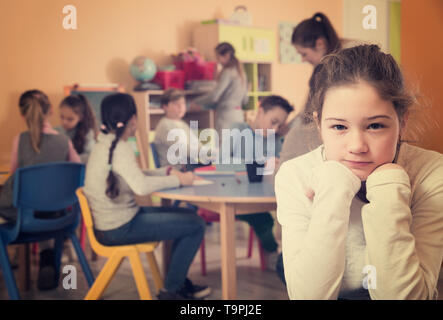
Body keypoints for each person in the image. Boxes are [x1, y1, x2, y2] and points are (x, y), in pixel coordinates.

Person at [275, 44, 443, 300]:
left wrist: (389, 185)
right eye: (339, 127)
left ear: (403, 122)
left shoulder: (432, 173)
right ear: (319, 124)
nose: (356, 147)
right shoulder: (295, 175)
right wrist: (333, 186)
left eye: (375, 125)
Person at [83, 92, 211, 300]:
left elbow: (134, 176)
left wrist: (165, 172)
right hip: (119, 228)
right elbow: (141, 187)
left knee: (186, 217)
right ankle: (171, 290)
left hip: (116, 222)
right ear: (133, 120)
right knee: (195, 224)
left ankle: (175, 282)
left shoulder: (106, 144)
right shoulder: (120, 148)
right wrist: (180, 180)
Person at [275, 12, 341, 282]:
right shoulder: (324, 71)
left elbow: (312, 114)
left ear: (321, 45)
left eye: (303, 53)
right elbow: (307, 110)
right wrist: (289, 126)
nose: (302, 59)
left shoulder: (332, 72)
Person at [0, 89, 81, 290]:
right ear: (51, 111)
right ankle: (46, 256)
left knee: (15, 197)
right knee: (38, 201)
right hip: (59, 216)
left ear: (22, 114)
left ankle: (11, 259)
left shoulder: (20, 140)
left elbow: (15, 178)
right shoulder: (64, 141)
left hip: (25, 218)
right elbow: (79, 172)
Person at [228, 95, 293, 270]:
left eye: (279, 125)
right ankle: (273, 253)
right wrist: (259, 163)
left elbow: (280, 166)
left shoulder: (274, 140)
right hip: (235, 198)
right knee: (263, 219)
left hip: (265, 195)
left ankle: (291, 257)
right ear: (260, 110)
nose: (275, 128)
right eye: (272, 122)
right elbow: (222, 164)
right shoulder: (237, 130)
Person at [190, 42, 248, 135]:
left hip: (227, 118)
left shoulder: (227, 72)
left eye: (218, 57)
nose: (218, 61)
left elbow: (214, 96)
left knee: (224, 148)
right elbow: (245, 100)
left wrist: (196, 102)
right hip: (239, 116)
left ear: (227, 56)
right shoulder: (241, 73)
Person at [154, 88, 215, 170]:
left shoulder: (183, 124)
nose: (181, 107)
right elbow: (184, 149)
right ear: (165, 107)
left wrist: (212, 152)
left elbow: (197, 144)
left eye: (183, 103)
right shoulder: (165, 125)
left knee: (215, 165)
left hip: (187, 165)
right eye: (176, 104)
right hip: (175, 169)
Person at [57, 94, 98, 163]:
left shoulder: (87, 133)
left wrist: (70, 159)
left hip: (77, 170)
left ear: (81, 118)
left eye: (70, 119)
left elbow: (91, 155)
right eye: (62, 117)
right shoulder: (56, 131)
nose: (64, 122)